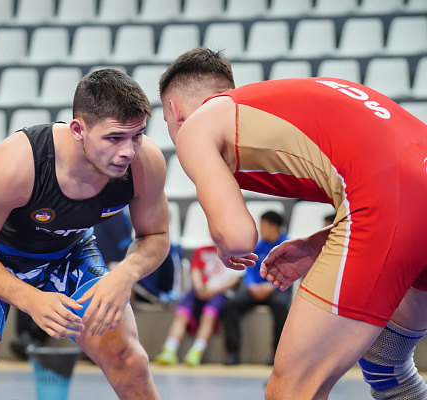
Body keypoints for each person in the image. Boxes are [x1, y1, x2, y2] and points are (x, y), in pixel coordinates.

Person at [159, 47, 427, 399]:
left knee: (290, 390)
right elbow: (391, 174)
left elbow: (238, 237)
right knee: (386, 362)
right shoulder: (274, 102)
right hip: (409, 188)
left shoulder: (196, 124)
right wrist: (318, 244)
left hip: (388, 205)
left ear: (175, 111)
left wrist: (224, 244)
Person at [0, 69, 170, 400]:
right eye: (114, 138)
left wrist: (125, 273)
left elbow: (156, 235)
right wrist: (30, 299)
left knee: (131, 362)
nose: (128, 152)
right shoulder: (18, 161)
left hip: (70, 254)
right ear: (78, 130)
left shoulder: (146, 164)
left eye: (137, 135)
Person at [221, 211, 291, 366]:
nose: (261, 229)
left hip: (276, 288)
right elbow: (249, 270)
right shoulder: (258, 246)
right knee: (231, 304)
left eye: (263, 226)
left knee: (281, 306)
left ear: (274, 227)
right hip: (255, 289)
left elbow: (290, 271)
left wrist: (271, 286)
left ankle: (276, 354)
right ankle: (232, 353)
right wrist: (251, 286)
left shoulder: (287, 245)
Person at [155, 244, 242, 367]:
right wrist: (199, 288)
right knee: (181, 313)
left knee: (209, 315)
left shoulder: (236, 254)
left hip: (220, 293)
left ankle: (196, 352)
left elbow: (234, 279)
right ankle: (169, 349)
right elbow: (195, 271)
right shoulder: (201, 251)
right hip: (198, 291)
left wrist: (213, 290)